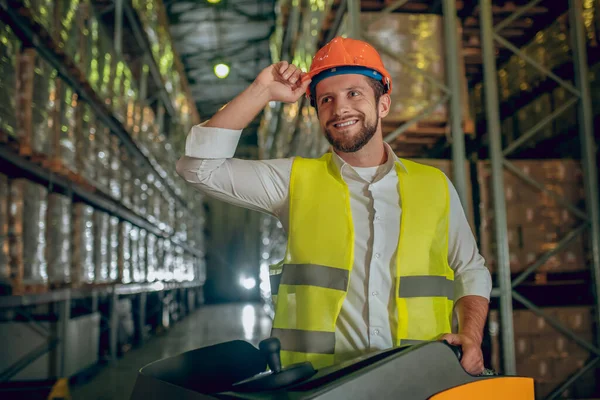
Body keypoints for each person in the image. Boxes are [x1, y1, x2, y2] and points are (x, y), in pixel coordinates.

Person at [176, 37, 492, 375]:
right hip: (319, 384)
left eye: (354, 94)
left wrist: (471, 335)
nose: (340, 109)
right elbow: (197, 168)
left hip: (420, 379)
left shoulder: (434, 185)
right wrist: (262, 91)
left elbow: (470, 269)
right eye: (327, 99)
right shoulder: (293, 181)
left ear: (383, 104)